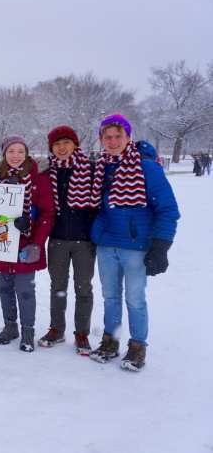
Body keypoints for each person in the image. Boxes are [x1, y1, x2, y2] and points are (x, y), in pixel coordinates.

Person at [89, 115, 180, 371]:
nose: (113, 141)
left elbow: (168, 209)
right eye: (108, 137)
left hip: (136, 247)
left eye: (119, 136)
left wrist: (161, 248)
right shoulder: (102, 167)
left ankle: (137, 347)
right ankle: (110, 341)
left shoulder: (147, 168)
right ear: (101, 140)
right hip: (106, 244)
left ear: (129, 137)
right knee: (110, 297)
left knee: (135, 300)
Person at [0, 135, 56, 352]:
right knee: (4, 287)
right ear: (4, 154)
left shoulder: (38, 177)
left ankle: (28, 329)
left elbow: (47, 213)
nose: (16, 156)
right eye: (11, 151)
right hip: (1, 241)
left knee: (25, 289)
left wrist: (36, 241)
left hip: (27, 243)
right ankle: (10, 327)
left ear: (26, 153)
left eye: (20, 151)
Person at [39, 126, 97, 355]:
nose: (62, 148)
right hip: (57, 239)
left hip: (84, 241)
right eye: (57, 144)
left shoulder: (90, 169)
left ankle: (82, 333)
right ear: (51, 148)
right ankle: (56, 329)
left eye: (66, 143)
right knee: (58, 287)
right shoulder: (47, 172)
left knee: (83, 289)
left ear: (75, 145)